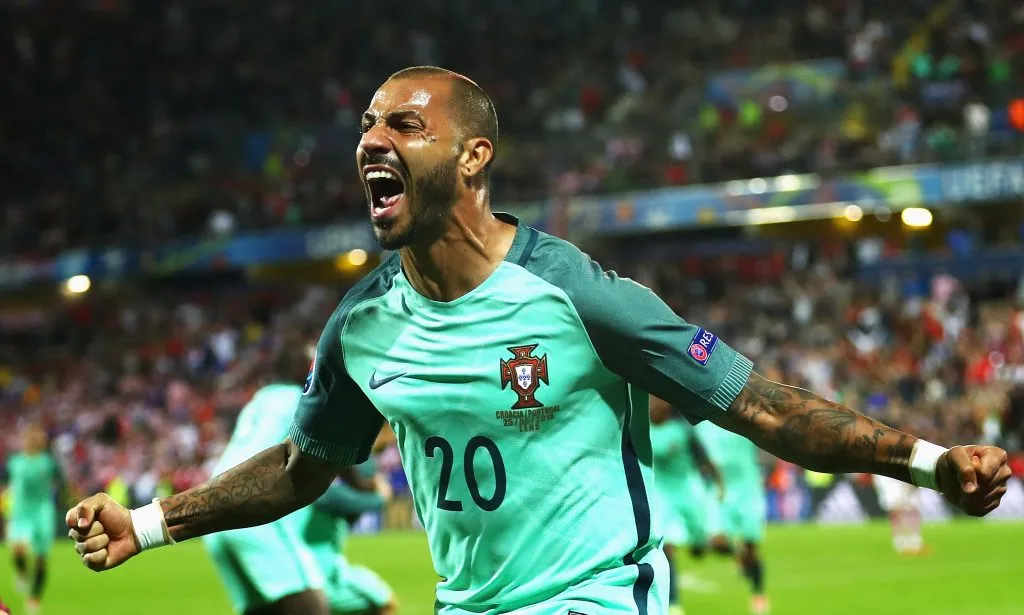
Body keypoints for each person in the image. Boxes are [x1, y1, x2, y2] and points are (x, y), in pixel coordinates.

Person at [67, 66, 1013, 615]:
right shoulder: (361, 328)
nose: (371, 141)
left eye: (404, 123)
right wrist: (151, 523)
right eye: (365, 126)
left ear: (474, 157)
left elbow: (764, 407)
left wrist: (930, 463)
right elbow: (302, 466)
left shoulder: (580, 297)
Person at [200, 347, 334, 615]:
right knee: (310, 603)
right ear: (300, 369)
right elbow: (330, 451)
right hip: (254, 505)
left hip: (214, 508)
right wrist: (367, 486)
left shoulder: (258, 400)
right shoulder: (302, 398)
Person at [649, 395, 726, 615]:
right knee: (667, 547)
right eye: (651, 402)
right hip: (660, 494)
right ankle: (673, 603)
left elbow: (703, 459)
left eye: (659, 402)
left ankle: (701, 543)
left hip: (687, 491)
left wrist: (719, 483)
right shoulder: (640, 428)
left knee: (698, 547)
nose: (655, 406)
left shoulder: (682, 431)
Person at [300, 459, 398, 615]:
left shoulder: (318, 488)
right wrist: (382, 493)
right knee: (386, 603)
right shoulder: (329, 493)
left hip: (309, 572)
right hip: (319, 577)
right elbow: (367, 502)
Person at [695, 421, 769, 614]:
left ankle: (758, 593)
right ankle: (738, 555)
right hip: (720, 490)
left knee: (752, 548)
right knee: (716, 541)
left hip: (748, 488)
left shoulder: (743, 419)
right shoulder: (702, 425)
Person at [5, 425, 62, 614]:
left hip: (42, 512)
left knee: (40, 558)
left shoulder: (48, 463)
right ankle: (22, 571)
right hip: (21, 511)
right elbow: (5, 480)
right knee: (18, 550)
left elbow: (62, 481)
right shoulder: (14, 462)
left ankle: (34, 598)